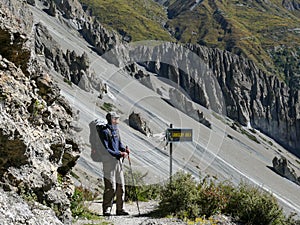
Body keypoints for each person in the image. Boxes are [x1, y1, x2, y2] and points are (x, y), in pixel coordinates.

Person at [99, 111, 130, 216]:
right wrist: (120, 153)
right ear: (111, 119)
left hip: (118, 161)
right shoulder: (104, 132)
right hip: (108, 162)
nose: (117, 120)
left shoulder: (116, 130)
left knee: (121, 186)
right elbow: (106, 149)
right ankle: (107, 209)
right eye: (116, 118)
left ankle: (120, 209)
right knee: (110, 187)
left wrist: (124, 151)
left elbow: (119, 144)